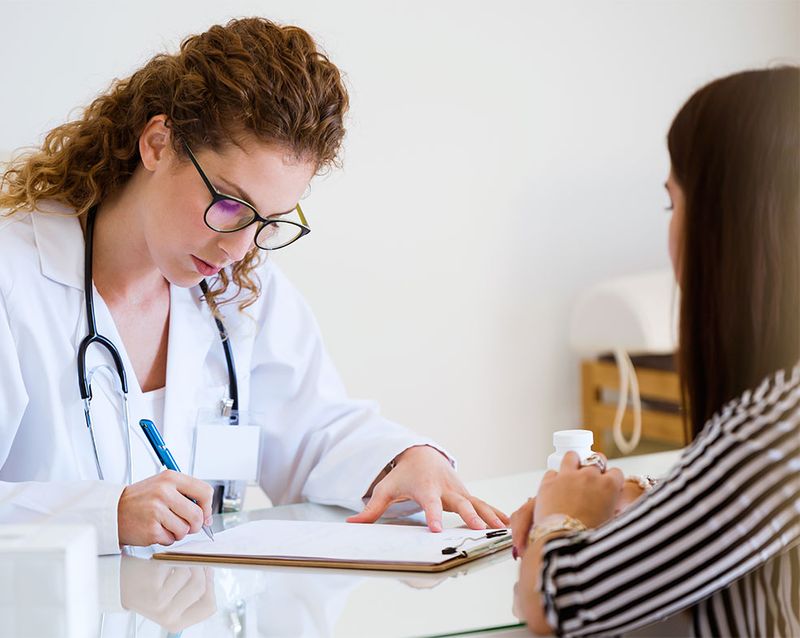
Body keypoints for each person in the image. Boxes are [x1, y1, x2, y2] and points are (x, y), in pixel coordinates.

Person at [0, 17, 508, 555]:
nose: (239, 248)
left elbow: (313, 430)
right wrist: (104, 515)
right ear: (157, 143)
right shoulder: (14, 280)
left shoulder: (239, 291)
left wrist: (404, 460)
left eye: (268, 221)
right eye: (227, 205)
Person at [510, 66, 800, 637]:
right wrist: (638, 495)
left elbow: (556, 603)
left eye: (674, 205)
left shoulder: (776, 426)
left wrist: (560, 519)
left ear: (726, 224)